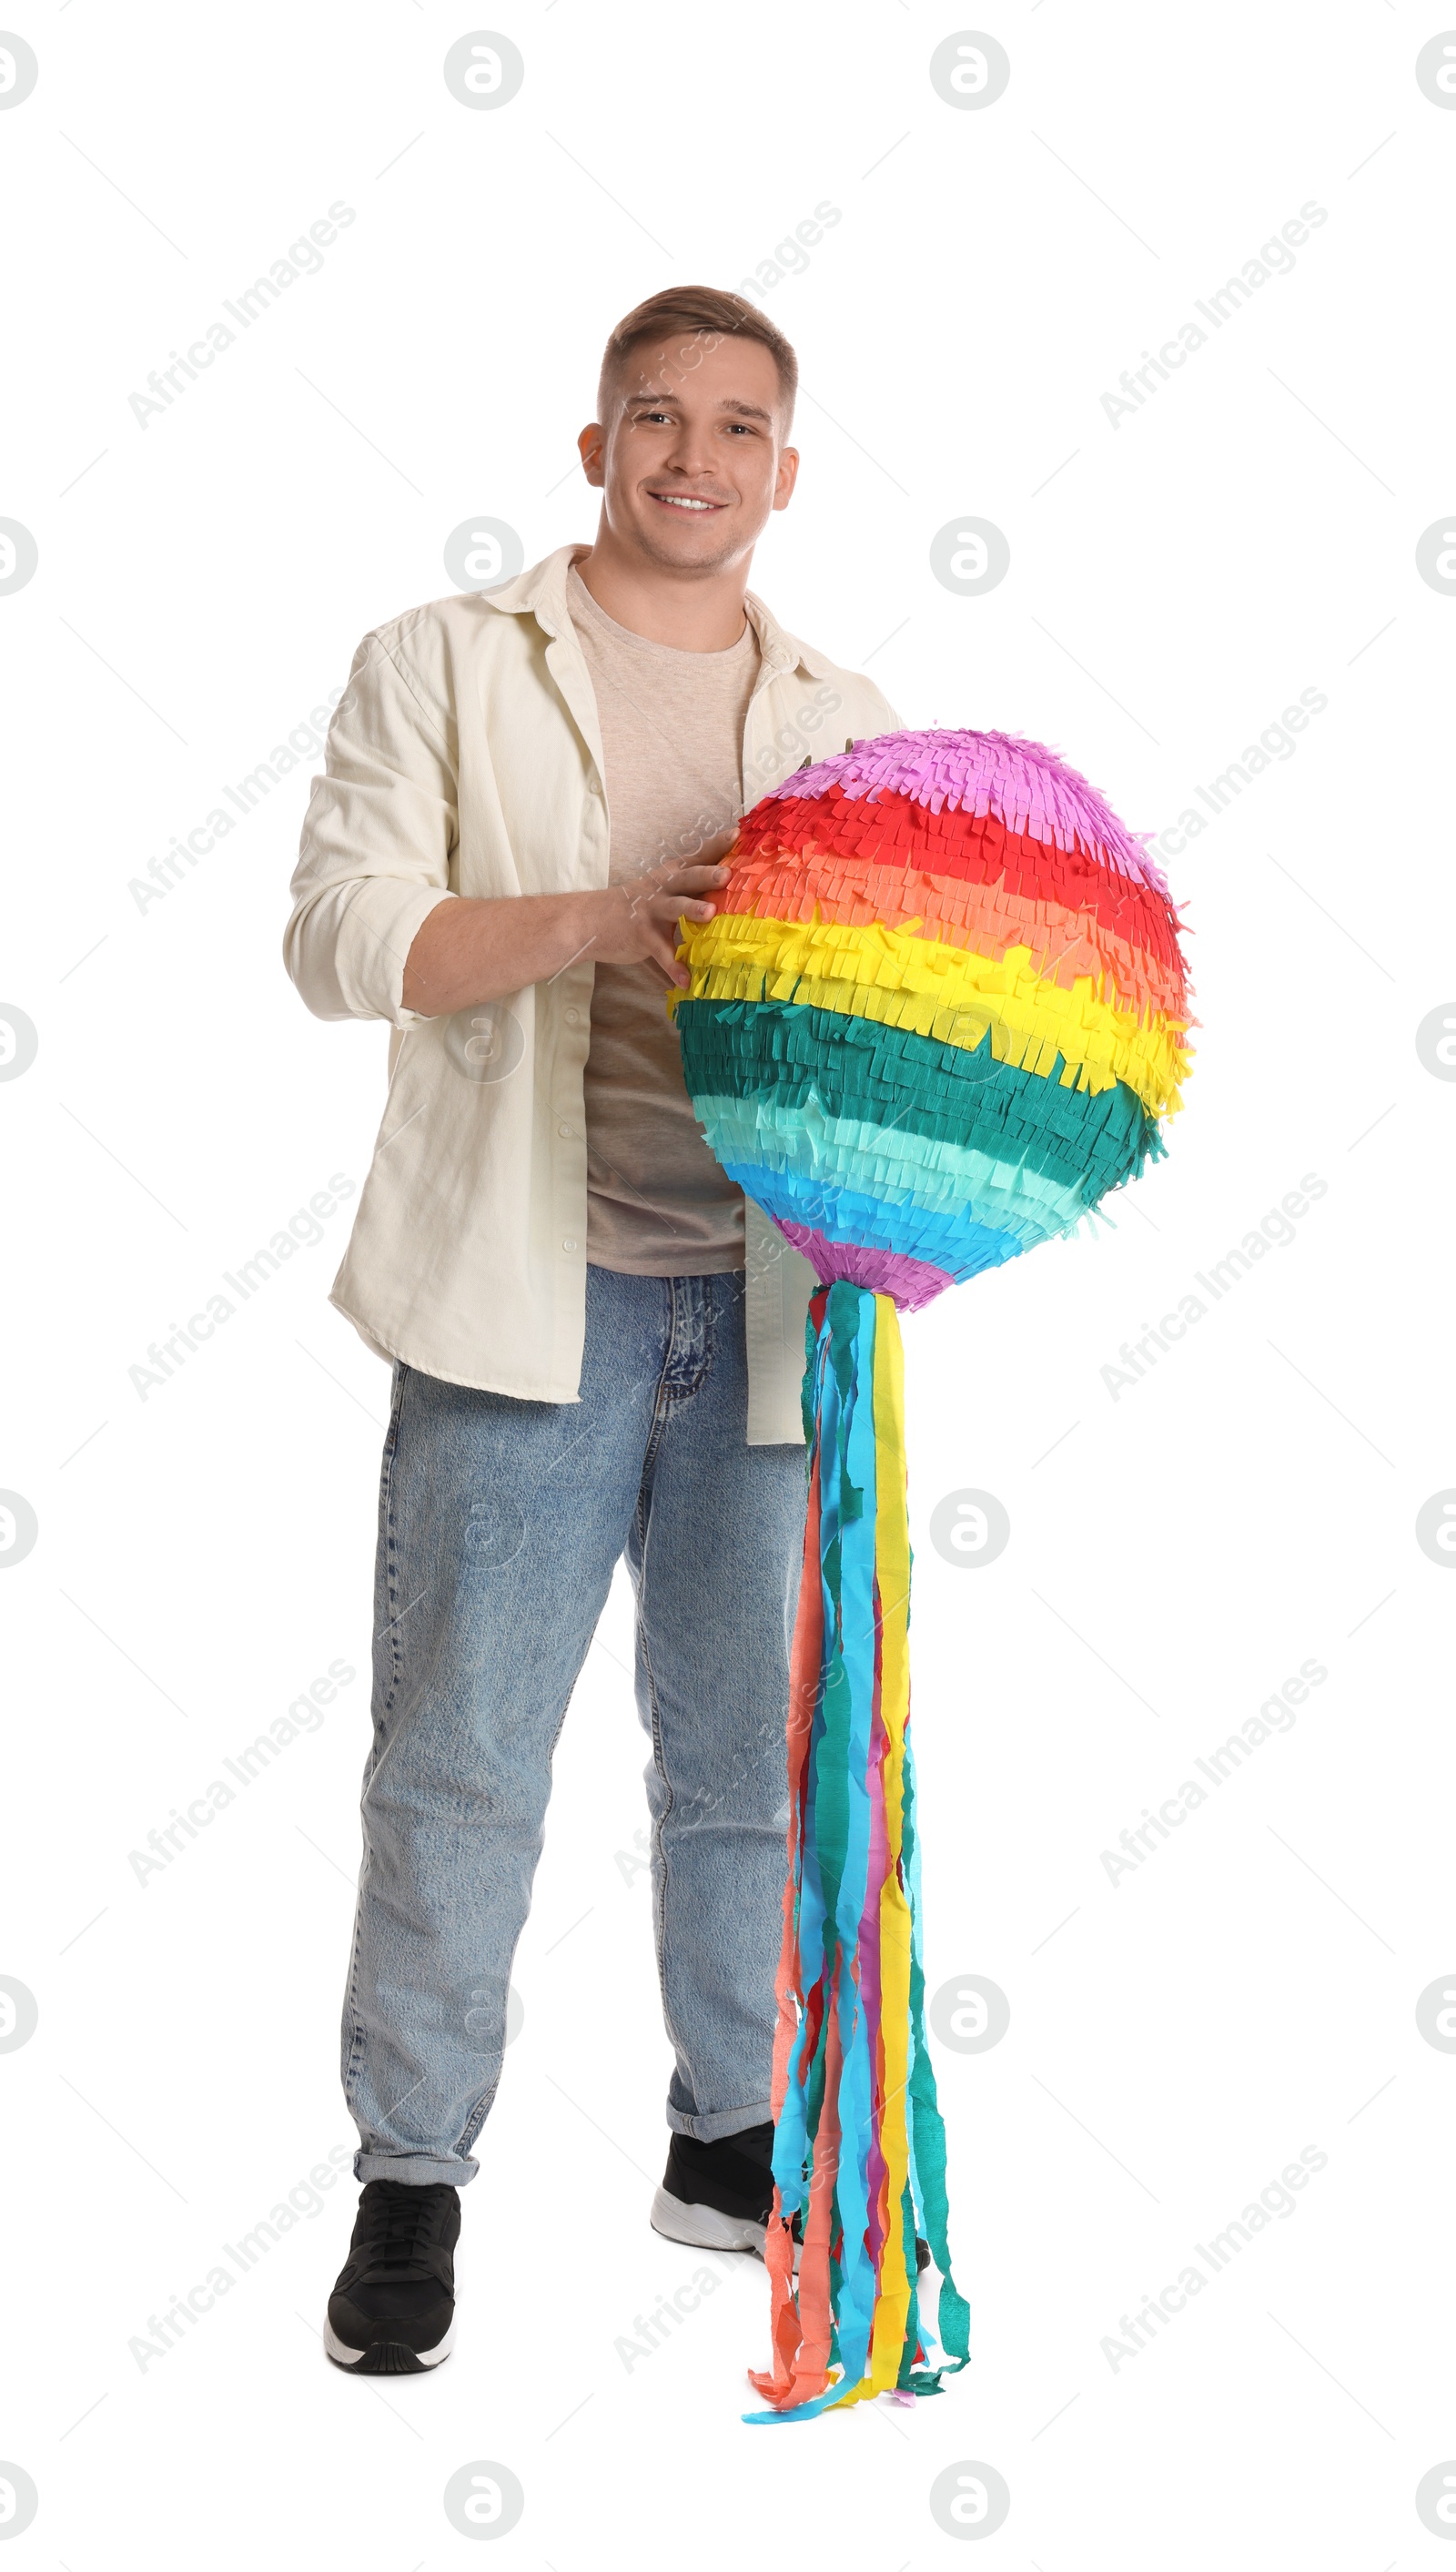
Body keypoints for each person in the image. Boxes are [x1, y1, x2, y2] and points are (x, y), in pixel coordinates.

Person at [284, 287, 900, 2374]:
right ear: (594, 448)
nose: (694, 457)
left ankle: (726, 2137)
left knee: (743, 1772)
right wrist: (604, 921)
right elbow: (338, 938)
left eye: (738, 426)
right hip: (515, 1314)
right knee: (458, 1772)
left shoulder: (845, 715)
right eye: (656, 417)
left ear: (784, 473)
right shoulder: (446, 664)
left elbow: (902, 1019)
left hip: (764, 1315)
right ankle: (410, 2185)